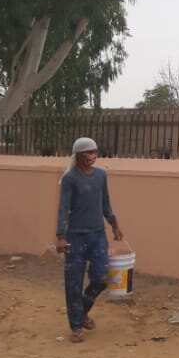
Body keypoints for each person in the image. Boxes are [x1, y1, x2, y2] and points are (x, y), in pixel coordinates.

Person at [55, 137, 123, 343]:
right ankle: (76, 326)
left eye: (95, 152)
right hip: (75, 237)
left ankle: (82, 310)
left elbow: (105, 203)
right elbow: (64, 208)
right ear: (78, 155)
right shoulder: (70, 178)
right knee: (73, 282)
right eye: (88, 153)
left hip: (97, 235)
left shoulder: (101, 175)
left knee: (101, 277)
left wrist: (115, 225)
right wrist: (60, 236)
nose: (93, 156)